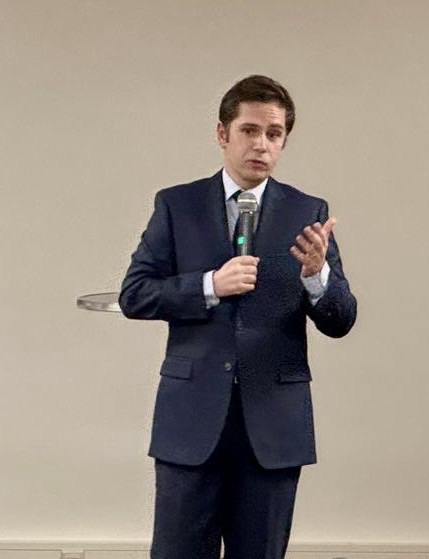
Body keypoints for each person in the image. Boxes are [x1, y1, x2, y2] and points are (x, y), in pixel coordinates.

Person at [119, 75, 357, 559]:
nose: (261, 144)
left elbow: (341, 319)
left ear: (284, 141)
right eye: (249, 130)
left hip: (273, 426)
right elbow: (135, 294)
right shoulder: (177, 205)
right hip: (191, 421)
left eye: (274, 133)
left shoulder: (308, 211)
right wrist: (210, 284)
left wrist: (317, 275)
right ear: (222, 133)